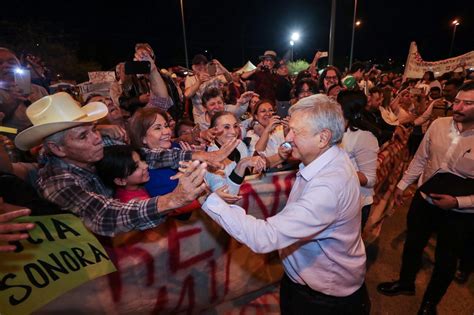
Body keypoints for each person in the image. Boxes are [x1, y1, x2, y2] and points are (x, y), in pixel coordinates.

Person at [200, 94, 370, 314]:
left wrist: (207, 197)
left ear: (322, 138)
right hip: (305, 282)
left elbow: (264, 238)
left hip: (324, 299)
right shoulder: (331, 157)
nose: (287, 138)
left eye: (295, 132)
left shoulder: (327, 187)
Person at [14, 92, 208, 237]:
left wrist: (201, 155)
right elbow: (105, 215)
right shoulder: (57, 182)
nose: (96, 138)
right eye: (83, 136)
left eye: (94, 129)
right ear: (57, 149)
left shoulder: (98, 146)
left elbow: (144, 155)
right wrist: (172, 200)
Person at [377, 81, 474, 314]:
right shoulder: (439, 124)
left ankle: (430, 303)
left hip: (459, 212)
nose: (458, 107)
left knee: (446, 260)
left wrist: (459, 203)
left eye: (467, 103)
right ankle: (406, 282)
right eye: (457, 101)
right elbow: (421, 158)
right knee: (413, 245)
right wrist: (402, 185)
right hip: (424, 200)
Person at [337, 90, 379, 228]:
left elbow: (370, 179)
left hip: (357, 204)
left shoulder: (364, 137)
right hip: (338, 202)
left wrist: (336, 171)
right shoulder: (336, 131)